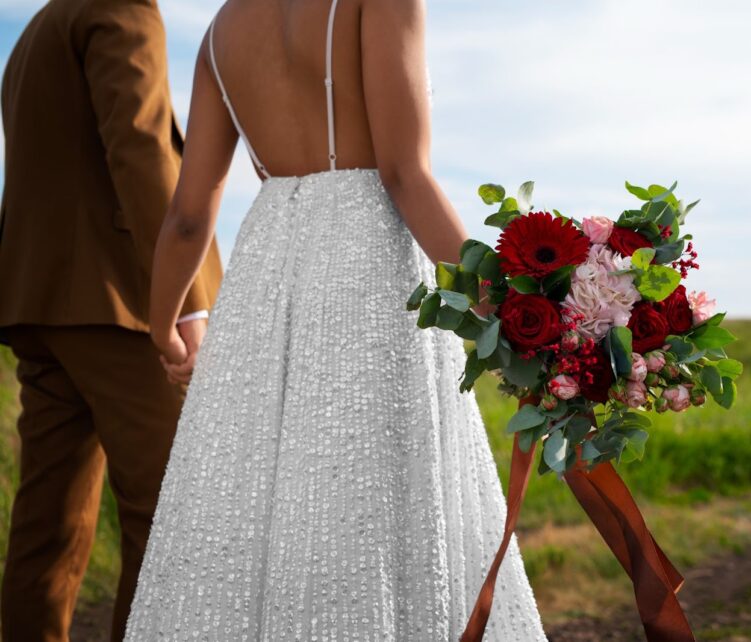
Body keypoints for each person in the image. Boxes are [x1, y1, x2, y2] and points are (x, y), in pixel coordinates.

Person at [124, 0, 545, 639]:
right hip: (369, 267)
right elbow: (406, 175)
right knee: (372, 496)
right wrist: (509, 308)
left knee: (259, 496)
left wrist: (164, 329)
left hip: (266, 273)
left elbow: (188, 213)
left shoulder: (221, 31)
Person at [0, 0, 223, 640]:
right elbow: (141, 142)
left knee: (49, 522)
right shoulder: (120, 6)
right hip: (119, 303)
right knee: (169, 512)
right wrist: (183, 300)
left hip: (42, 303)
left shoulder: (38, 29)